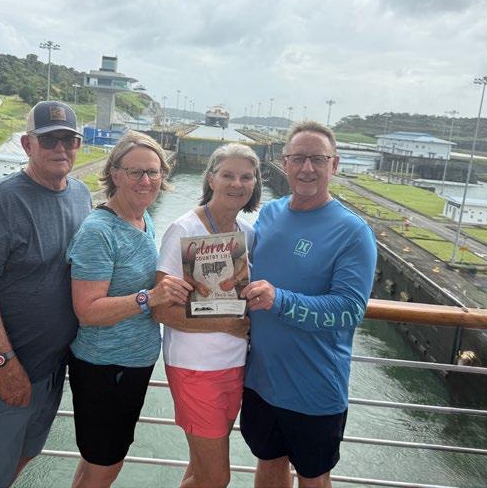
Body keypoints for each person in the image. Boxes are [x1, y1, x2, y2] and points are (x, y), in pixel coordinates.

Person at [0, 101, 92, 488]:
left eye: (68, 139)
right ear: (28, 144)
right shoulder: (0, 202)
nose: (60, 148)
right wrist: (5, 364)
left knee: (23, 455)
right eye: (48, 140)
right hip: (3, 371)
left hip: (51, 368)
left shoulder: (80, 195)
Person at [241, 121, 377, 488]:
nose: (307, 168)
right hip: (260, 380)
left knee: (313, 477)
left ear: (335, 165)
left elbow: (349, 310)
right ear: (284, 162)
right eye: (298, 158)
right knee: (268, 463)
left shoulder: (353, 232)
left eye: (318, 159)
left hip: (314, 390)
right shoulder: (269, 214)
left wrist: (279, 300)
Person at [66, 131, 191, 488]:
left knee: (96, 461)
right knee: (106, 464)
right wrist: (149, 297)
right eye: (136, 172)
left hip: (130, 364)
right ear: (115, 174)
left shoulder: (141, 218)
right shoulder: (99, 231)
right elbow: (87, 310)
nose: (146, 180)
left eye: (153, 172)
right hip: (105, 367)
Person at [153, 143, 261, 488]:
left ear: (255, 183)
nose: (237, 184)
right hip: (195, 367)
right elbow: (161, 309)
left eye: (246, 177)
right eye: (228, 175)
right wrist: (227, 324)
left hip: (235, 364)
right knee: (215, 478)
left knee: (199, 470)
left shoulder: (247, 233)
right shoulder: (184, 230)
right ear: (211, 179)